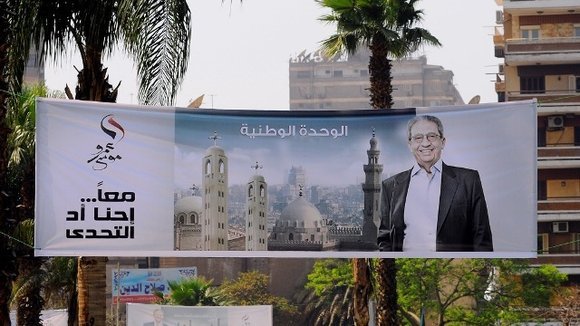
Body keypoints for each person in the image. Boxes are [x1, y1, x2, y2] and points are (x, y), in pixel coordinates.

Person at [377, 115, 493, 252]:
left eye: (431, 136)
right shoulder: (391, 186)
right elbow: (384, 239)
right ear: (410, 145)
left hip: (450, 268)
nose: (425, 143)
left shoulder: (468, 181)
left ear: (443, 142)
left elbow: (481, 236)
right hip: (405, 270)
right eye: (418, 138)